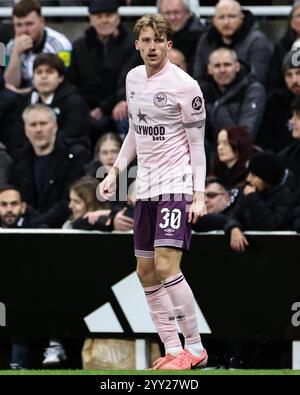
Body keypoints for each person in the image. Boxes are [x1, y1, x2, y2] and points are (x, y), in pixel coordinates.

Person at [99, 14, 208, 370]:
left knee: (165, 265)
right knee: (145, 272)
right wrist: (116, 171)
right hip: (144, 186)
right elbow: (135, 130)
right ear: (137, 45)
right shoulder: (132, 80)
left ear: (169, 45)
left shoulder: (186, 86)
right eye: (145, 41)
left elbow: (198, 146)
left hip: (175, 185)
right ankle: (174, 349)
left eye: (158, 41)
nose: (151, 47)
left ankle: (195, 346)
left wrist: (200, 194)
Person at [4, 0, 72, 90]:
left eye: (29, 24)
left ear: (42, 22)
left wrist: (30, 93)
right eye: (19, 25)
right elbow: (10, 84)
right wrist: (16, 53)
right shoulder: (10, 47)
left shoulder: (60, 44)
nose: (24, 30)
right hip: (21, 95)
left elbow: (64, 80)